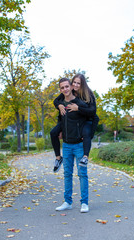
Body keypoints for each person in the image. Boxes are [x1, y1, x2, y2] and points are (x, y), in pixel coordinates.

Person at [50, 73, 99, 172]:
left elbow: (93, 113)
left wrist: (78, 108)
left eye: (78, 83)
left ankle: (85, 157)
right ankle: (58, 158)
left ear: (83, 84)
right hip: (75, 118)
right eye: (74, 82)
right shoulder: (68, 91)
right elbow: (56, 101)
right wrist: (59, 105)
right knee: (53, 132)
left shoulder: (88, 94)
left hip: (88, 119)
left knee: (85, 133)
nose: (76, 85)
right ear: (72, 84)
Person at [55, 77, 89, 213]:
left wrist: (86, 134)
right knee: (67, 174)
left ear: (71, 87)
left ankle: (84, 203)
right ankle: (67, 202)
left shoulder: (79, 103)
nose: (65, 89)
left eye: (67, 86)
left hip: (79, 145)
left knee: (82, 174)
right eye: (62, 87)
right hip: (67, 145)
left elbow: (90, 117)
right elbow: (60, 120)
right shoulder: (61, 104)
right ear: (60, 89)